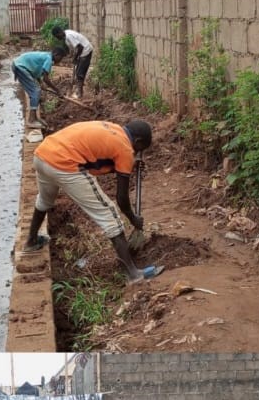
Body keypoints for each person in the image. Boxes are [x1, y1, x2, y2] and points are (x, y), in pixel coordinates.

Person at [24, 119, 164, 285]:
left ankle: (31, 241)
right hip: (64, 163)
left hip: (42, 155)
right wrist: (133, 218)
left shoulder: (113, 129)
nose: (136, 153)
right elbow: (121, 198)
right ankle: (133, 274)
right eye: (139, 149)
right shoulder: (125, 148)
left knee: (45, 199)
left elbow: (98, 160)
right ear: (138, 141)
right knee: (109, 214)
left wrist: (128, 165)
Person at [12, 47, 63, 128]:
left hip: (18, 64)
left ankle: (35, 118)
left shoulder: (46, 56)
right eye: (61, 58)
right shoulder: (49, 59)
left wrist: (40, 83)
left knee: (35, 91)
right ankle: (31, 120)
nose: (60, 60)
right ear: (56, 55)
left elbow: (37, 71)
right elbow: (46, 78)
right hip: (21, 66)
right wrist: (57, 90)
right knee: (35, 91)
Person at [51, 24, 94, 98]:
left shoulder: (69, 36)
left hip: (86, 51)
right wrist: (74, 56)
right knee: (79, 72)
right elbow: (76, 48)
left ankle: (79, 94)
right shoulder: (66, 35)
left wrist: (75, 58)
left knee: (79, 73)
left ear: (59, 33)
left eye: (57, 36)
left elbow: (80, 47)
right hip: (83, 52)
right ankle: (79, 92)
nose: (58, 38)